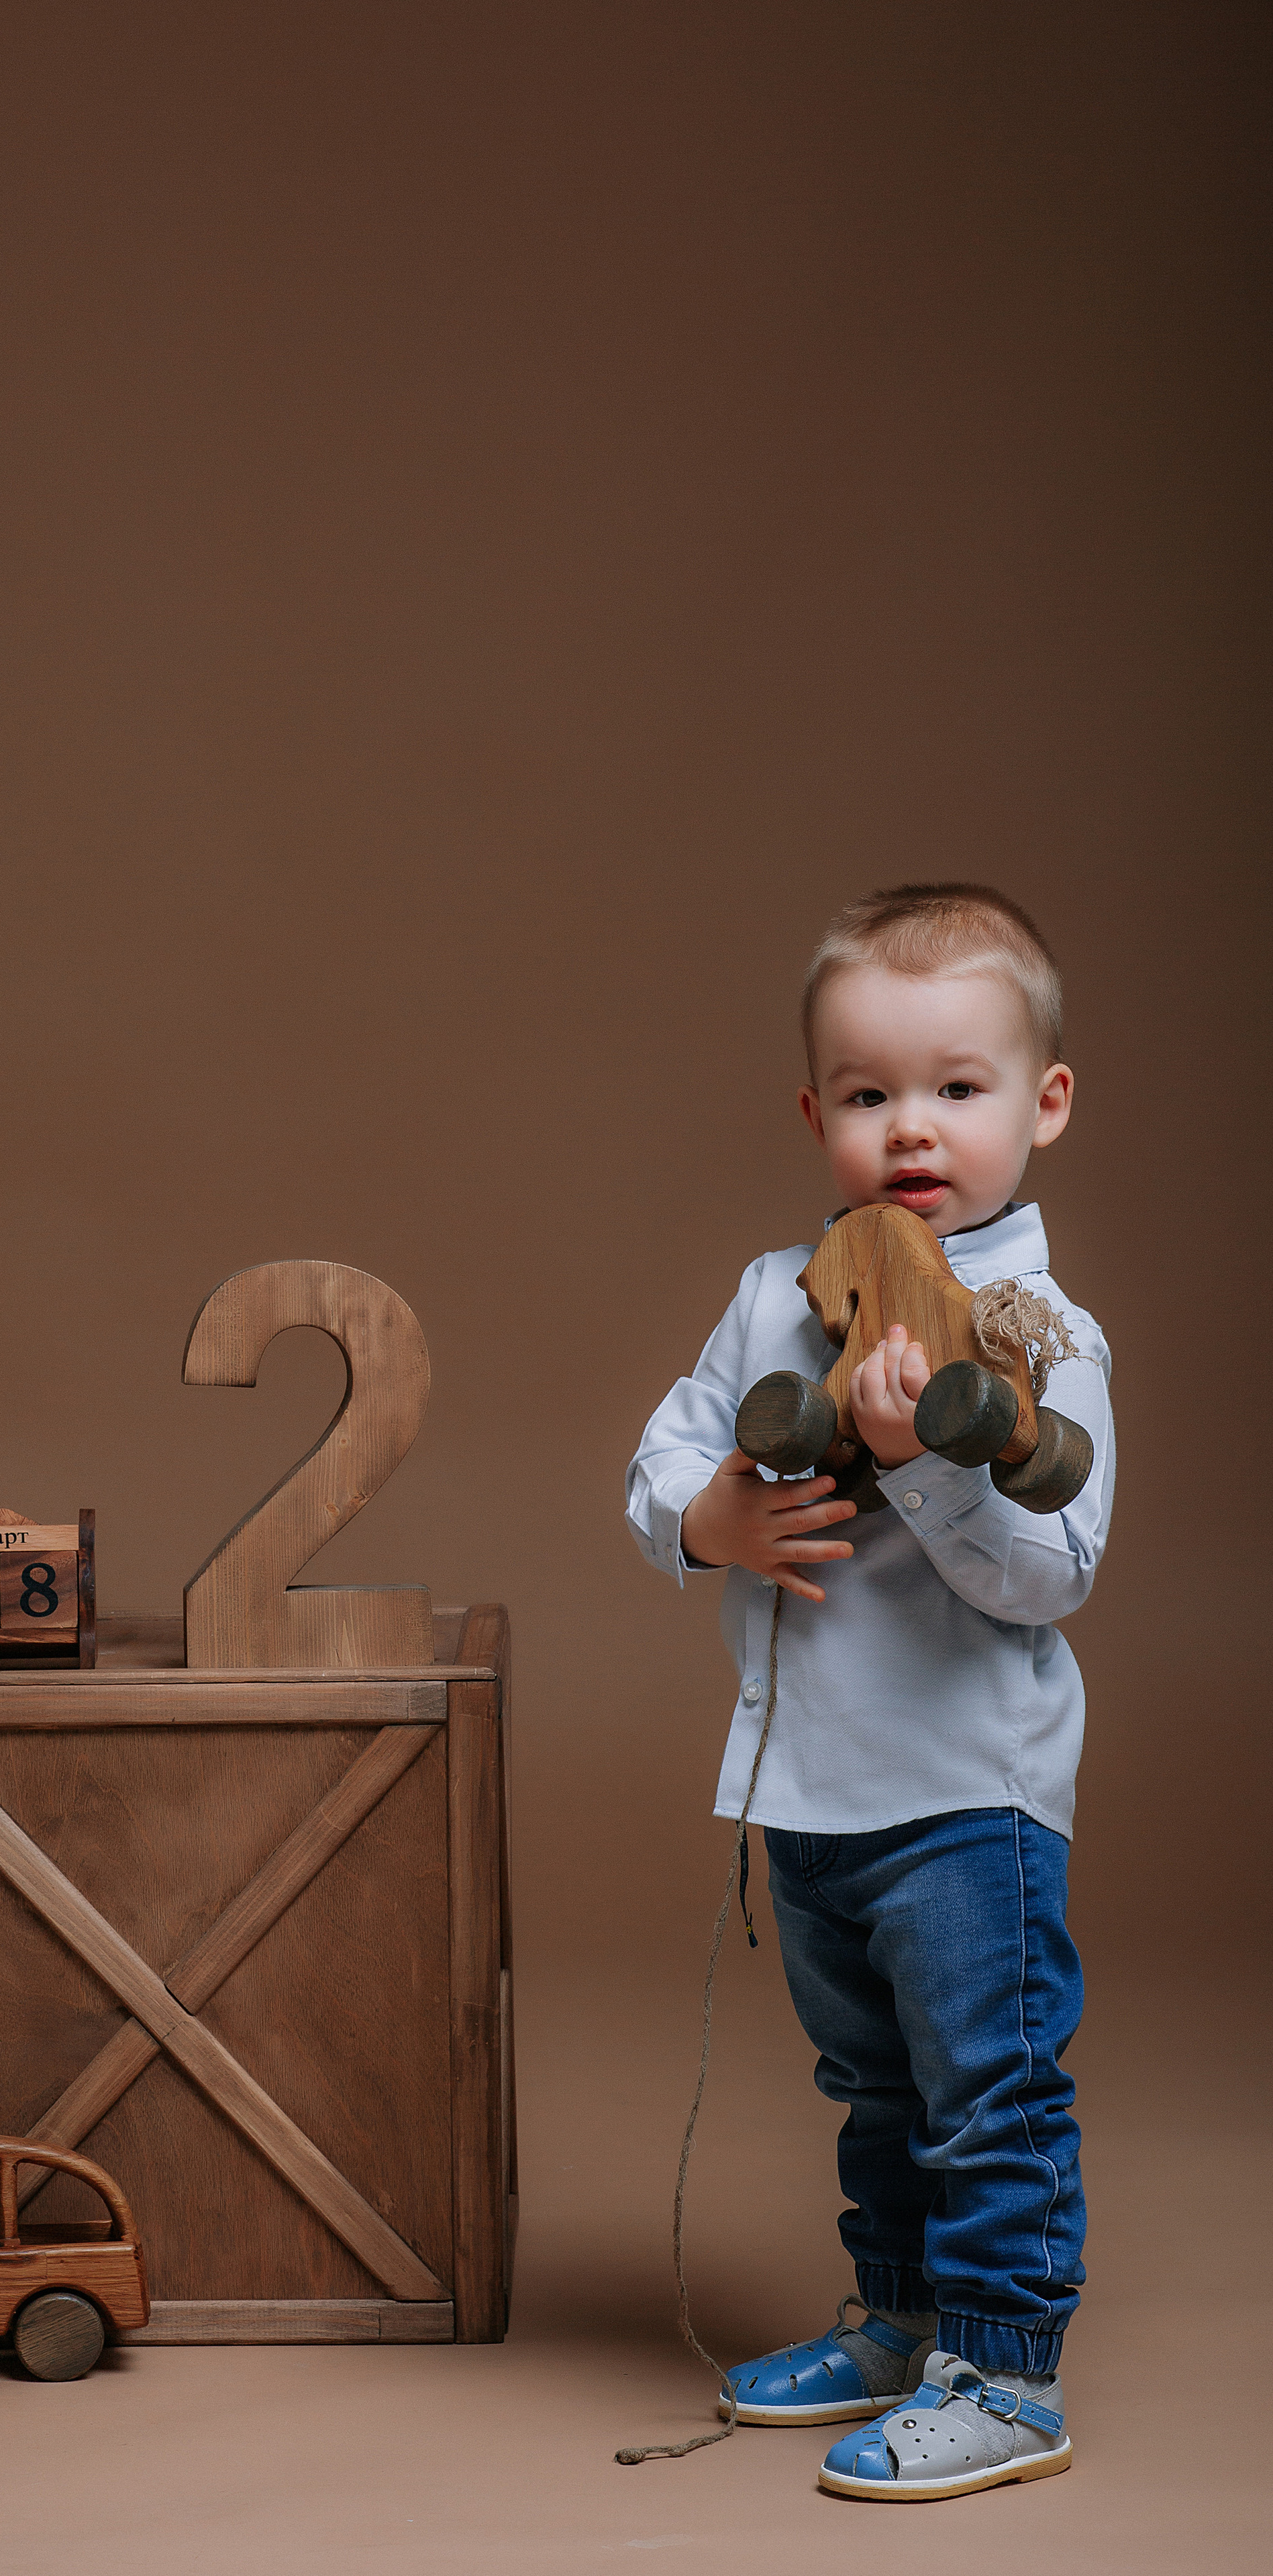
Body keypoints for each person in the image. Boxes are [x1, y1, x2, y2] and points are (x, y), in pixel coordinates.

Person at [625, 883, 1114, 2502]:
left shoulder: (1034, 1328)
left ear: (1039, 1102)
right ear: (814, 1108)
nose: (911, 1128)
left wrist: (918, 1467)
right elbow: (671, 1447)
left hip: (964, 1795)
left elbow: (1051, 1571)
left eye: (954, 1088)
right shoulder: (776, 1290)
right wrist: (707, 1519)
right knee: (871, 2086)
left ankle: (1003, 2371)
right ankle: (900, 2318)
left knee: (984, 2089)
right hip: (806, 1795)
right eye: (866, 1094)